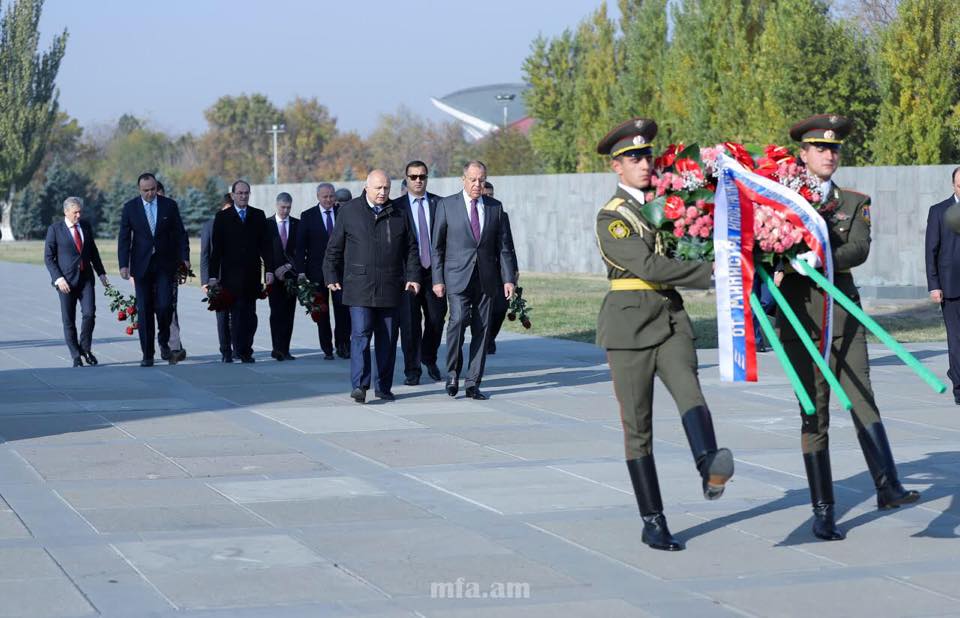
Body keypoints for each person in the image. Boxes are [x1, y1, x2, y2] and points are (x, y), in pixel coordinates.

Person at [778, 114, 919, 541]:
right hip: (801, 316)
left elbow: (858, 248)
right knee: (813, 409)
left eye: (834, 148)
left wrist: (821, 257)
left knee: (861, 397)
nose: (828, 154)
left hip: (843, 315)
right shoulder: (778, 201)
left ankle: (887, 486)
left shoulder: (853, 202)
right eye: (819, 148)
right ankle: (823, 509)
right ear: (802, 154)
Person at [595, 118, 734, 552]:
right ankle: (653, 520)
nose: (643, 162)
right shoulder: (611, 218)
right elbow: (649, 267)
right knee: (639, 429)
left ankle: (709, 463)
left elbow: (690, 240)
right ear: (617, 167)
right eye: (632, 157)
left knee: (691, 392)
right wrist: (711, 272)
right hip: (629, 328)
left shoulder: (673, 202)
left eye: (646, 155)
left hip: (670, 321)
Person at [323, 170, 420, 403]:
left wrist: (413, 276)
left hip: (390, 286)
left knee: (387, 339)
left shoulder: (400, 213)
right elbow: (334, 247)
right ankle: (359, 385)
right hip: (359, 286)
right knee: (360, 335)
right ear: (367, 187)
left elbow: (411, 248)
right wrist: (330, 274)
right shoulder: (349, 211)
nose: (382, 192)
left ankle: (383, 387)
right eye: (378, 188)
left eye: (386, 188)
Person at [431, 160, 518, 400]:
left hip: (486, 280)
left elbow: (504, 247)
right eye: (473, 180)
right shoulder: (447, 205)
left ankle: (473, 383)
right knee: (457, 321)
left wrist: (508, 278)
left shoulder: (494, 207)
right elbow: (436, 247)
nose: (477, 184)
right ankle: (452, 374)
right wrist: (437, 279)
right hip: (457, 277)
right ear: (464, 180)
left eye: (481, 180)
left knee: (482, 329)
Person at [118, 173, 189, 367]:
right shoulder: (130, 208)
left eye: (152, 189)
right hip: (141, 267)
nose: (150, 193)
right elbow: (124, 238)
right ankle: (147, 354)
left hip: (165, 265)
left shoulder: (169, 205)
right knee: (145, 310)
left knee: (165, 306)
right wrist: (124, 264)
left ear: (156, 187)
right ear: (139, 189)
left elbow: (181, 234)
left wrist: (185, 258)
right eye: (146, 190)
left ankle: (163, 339)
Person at [207, 180, 274, 363]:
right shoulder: (223, 217)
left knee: (250, 316)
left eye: (246, 193)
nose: (243, 196)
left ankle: (245, 348)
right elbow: (217, 250)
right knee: (234, 314)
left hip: (252, 275)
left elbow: (266, 246)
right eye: (240, 193)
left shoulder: (258, 216)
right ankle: (236, 351)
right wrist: (213, 276)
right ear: (233, 194)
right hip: (230, 277)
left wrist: (269, 269)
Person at [397, 161, 446, 385]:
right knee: (409, 325)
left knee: (436, 320)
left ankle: (429, 357)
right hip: (407, 276)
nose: (418, 180)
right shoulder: (395, 207)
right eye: (413, 176)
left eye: (422, 176)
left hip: (434, 274)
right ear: (406, 178)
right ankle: (412, 370)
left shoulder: (440, 204)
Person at [44, 197, 109, 367]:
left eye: (80, 211)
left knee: (89, 313)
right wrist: (58, 279)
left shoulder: (85, 226)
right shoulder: (55, 230)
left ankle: (85, 349)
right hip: (65, 282)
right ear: (66, 212)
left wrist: (101, 273)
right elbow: (49, 258)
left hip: (86, 279)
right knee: (69, 319)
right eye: (75, 212)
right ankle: (75, 355)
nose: (79, 215)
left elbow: (93, 251)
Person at [295, 183, 350, 359]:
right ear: (318, 197)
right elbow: (300, 247)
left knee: (343, 310)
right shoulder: (308, 216)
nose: (328, 200)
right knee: (321, 310)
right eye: (325, 197)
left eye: (331, 196)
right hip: (316, 272)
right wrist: (301, 272)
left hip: (340, 271)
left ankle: (343, 344)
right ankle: (327, 348)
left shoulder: (343, 213)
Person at [925, 167, 960, 405]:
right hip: (951, 286)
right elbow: (931, 251)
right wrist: (934, 285)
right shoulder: (938, 211)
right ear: (953, 185)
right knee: (956, 339)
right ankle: (959, 387)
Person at [480, 181, 519, 355]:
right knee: (482, 309)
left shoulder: (501, 215)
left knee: (501, 307)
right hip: (480, 270)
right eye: (485, 194)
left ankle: (490, 337)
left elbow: (508, 245)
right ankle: (483, 339)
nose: (488, 197)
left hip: (499, 270)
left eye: (491, 195)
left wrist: (513, 271)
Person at [155, 181, 187, 364]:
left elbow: (182, 237)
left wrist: (184, 262)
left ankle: (173, 346)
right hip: (149, 271)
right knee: (156, 309)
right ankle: (163, 345)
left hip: (170, 270)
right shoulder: (143, 215)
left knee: (170, 307)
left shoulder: (171, 213)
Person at [201, 194, 234, 362]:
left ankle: (238, 347)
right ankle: (225, 351)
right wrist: (205, 281)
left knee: (237, 316)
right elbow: (205, 254)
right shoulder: (210, 225)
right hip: (217, 279)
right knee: (222, 317)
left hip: (236, 278)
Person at [268, 192, 299, 361]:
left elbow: (300, 251)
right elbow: (264, 251)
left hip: (291, 276)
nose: (285, 211)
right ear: (277, 205)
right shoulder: (268, 224)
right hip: (273, 276)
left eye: (288, 208)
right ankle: (277, 348)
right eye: (283, 207)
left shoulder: (297, 224)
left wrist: (288, 266)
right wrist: (273, 270)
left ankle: (285, 349)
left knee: (289, 313)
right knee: (276, 312)